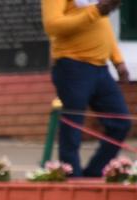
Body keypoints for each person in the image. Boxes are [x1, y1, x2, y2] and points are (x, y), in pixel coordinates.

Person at [42, 0, 132, 177]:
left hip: (100, 68)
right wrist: (95, 11)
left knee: (121, 123)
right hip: (72, 65)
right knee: (73, 126)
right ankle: (72, 177)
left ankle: (94, 173)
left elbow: (102, 25)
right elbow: (52, 25)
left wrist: (118, 60)